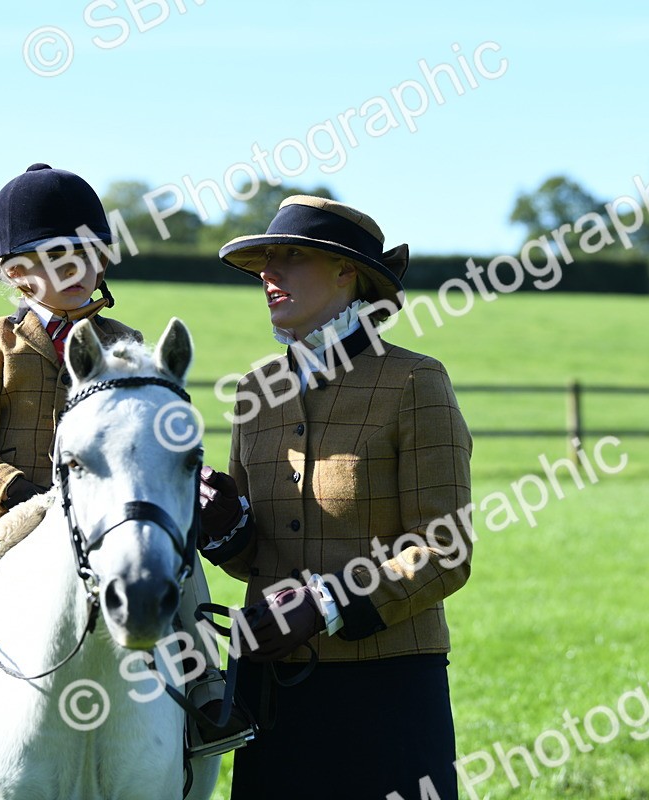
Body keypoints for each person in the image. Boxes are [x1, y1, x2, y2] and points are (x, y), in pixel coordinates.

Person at [0, 164, 249, 789]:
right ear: (17, 273)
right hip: (0, 509)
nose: (83, 270)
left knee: (182, 575)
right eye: (62, 258)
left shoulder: (125, 343)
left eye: (89, 256)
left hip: (104, 507)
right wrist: (18, 492)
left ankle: (209, 698)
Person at [196, 195, 474, 799]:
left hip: (388, 692)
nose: (269, 274)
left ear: (348, 272)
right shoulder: (254, 390)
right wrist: (225, 524)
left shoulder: (415, 381)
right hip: (270, 693)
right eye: (265, 261)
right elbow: (256, 557)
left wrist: (326, 603)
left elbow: (446, 550)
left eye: (289, 258)